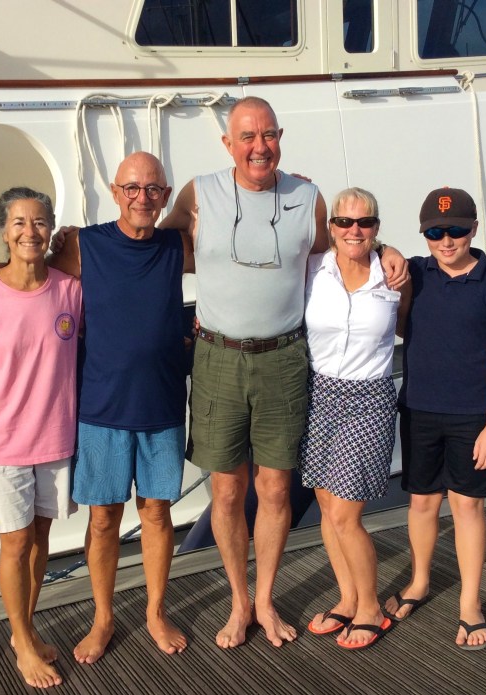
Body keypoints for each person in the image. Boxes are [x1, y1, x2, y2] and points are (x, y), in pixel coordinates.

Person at [161, 96, 408, 649]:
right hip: (218, 356)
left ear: (280, 137)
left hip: (284, 358)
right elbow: (154, 243)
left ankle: (266, 601)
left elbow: (343, 248)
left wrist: (386, 245)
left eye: (268, 134)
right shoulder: (199, 193)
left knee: (274, 489)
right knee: (226, 491)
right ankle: (238, 603)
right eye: (247, 136)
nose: (259, 146)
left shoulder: (308, 197)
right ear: (228, 144)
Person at [0, 151, 193, 664]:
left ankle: (155, 612)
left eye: (154, 189)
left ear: (166, 195)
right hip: (101, 410)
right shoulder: (85, 245)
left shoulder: (177, 246)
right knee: (104, 519)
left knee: (157, 514)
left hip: (163, 405)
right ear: (114, 191)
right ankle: (103, 618)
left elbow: (219, 209)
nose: (142, 198)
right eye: (132, 188)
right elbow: (20, 269)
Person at [383, 187, 486, 650]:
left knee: (467, 506)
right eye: (435, 232)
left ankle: (469, 603)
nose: (447, 241)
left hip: (473, 418)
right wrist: (386, 250)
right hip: (420, 408)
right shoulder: (416, 275)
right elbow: (363, 246)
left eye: (457, 230)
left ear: (474, 230)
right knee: (422, 502)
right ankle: (420, 581)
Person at [0, 187, 81, 688]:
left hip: (53, 436)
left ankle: (22, 630)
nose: (29, 231)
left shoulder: (70, 289)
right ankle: (24, 645)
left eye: (38, 222)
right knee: (13, 545)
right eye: (18, 223)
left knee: (40, 539)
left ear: (50, 229)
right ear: (3, 231)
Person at [300, 187, 408, 650]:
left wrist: (391, 253)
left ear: (377, 228)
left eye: (364, 223)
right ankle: (348, 599)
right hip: (318, 393)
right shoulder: (313, 269)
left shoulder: (394, 276)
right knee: (327, 508)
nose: (353, 231)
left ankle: (370, 609)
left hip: (369, 398)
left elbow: (417, 328)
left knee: (346, 514)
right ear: (332, 228)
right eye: (344, 222)